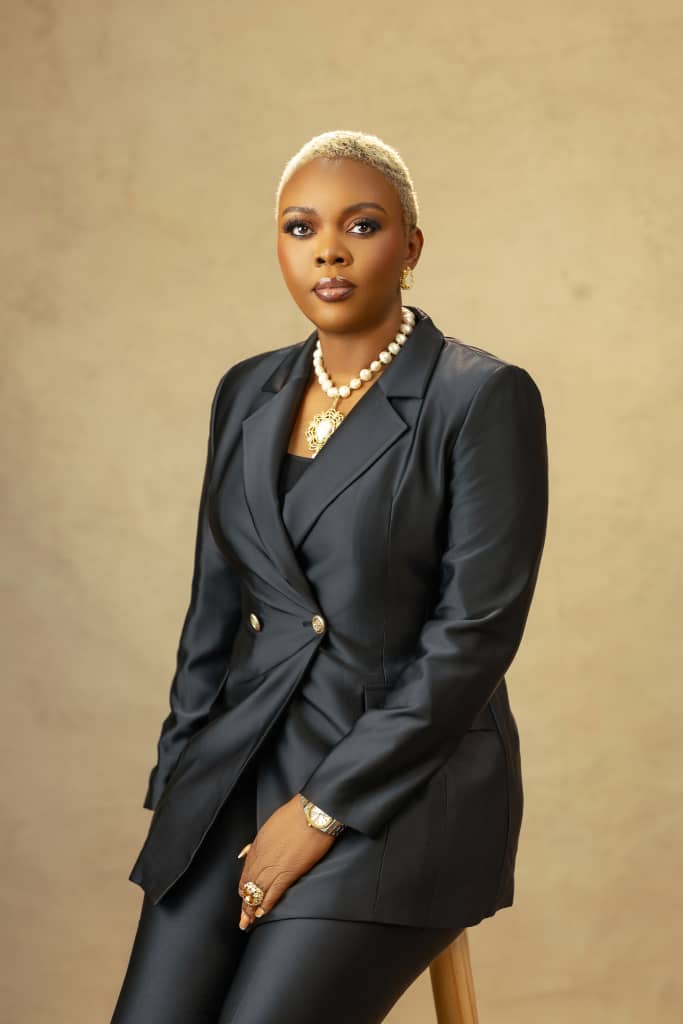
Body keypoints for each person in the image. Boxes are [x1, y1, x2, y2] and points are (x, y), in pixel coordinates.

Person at [110, 129, 549, 1024]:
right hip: (238, 772)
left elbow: (471, 640)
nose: (329, 251)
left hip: (401, 791)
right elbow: (213, 614)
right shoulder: (247, 391)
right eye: (301, 228)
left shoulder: (478, 397)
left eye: (362, 225)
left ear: (411, 247)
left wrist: (320, 810)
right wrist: (182, 783)